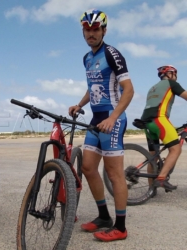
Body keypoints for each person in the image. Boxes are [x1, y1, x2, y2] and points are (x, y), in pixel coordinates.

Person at [68, 9, 134, 241]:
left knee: (115, 174)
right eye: (87, 29)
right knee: (87, 168)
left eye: (95, 29)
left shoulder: (112, 54)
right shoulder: (87, 58)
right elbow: (92, 87)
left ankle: (121, 227)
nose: (91, 33)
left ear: (104, 30)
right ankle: (104, 217)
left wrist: (114, 117)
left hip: (112, 119)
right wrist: (79, 104)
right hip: (96, 120)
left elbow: (129, 89)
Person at [140, 65, 187, 191]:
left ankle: (151, 189)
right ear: (170, 74)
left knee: (153, 156)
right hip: (159, 119)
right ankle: (161, 179)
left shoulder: (152, 88)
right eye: (175, 74)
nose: (175, 77)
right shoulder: (171, 83)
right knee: (176, 149)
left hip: (146, 121)